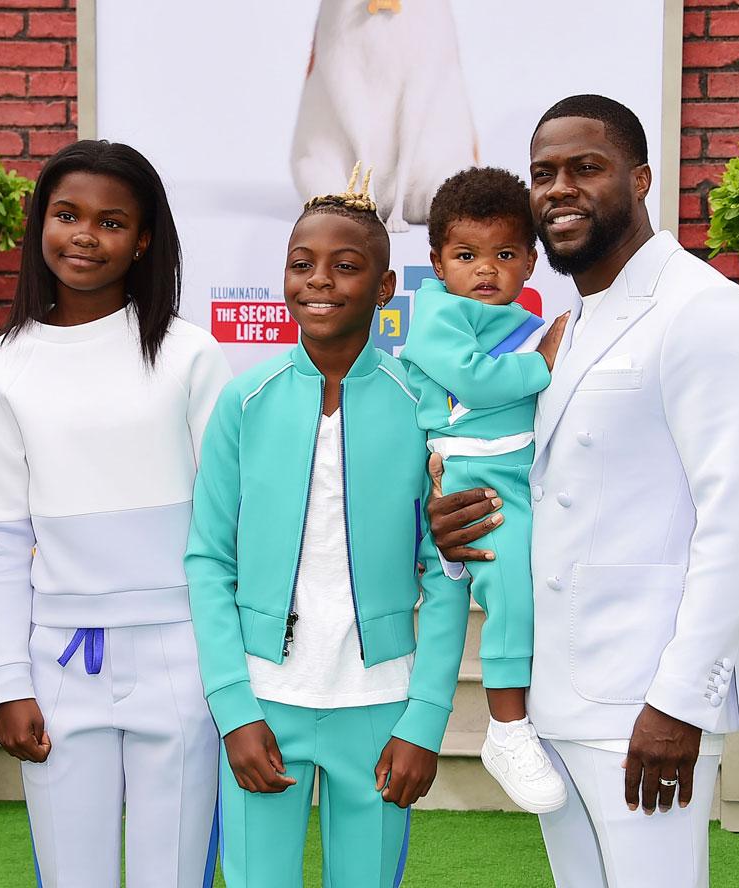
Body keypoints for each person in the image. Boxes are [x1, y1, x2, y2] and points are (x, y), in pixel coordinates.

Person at [426, 94, 739, 887]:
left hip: (643, 704)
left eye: (585, 168)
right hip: (555, 696)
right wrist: (453, 521)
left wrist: (680, 704)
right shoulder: (565, 326)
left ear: (641, 179)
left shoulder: (710, 314)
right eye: (543, 174)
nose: (559, 189)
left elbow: (735, 527)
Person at [186, 167, 469, 887]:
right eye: (301, 264)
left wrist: (425, 717)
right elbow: (208, 561)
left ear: (382, 288)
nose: (319, 281)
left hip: (380, 706)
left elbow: (445, 569)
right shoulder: (244, 402)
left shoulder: (423, 403)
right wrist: (231, 707)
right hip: (263, 701)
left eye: (346, 267)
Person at [0, 139, 232, 888]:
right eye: (67, 215)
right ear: (40, 224)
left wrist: (229, 669)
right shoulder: (2, 366)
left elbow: (227, 524)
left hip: (184, 657)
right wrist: (11, 682)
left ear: (144, 238)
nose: (85, 235)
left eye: (112, 222)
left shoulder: (189, 354)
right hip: (59, 664)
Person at [399, 166, 570, 813]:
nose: (486, 269)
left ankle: (532, 710)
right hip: (477, 478)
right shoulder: (439, 315)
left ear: (531, 259)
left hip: (525, 472)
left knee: (541, 590)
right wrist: (544, 363)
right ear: (437, 261)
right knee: (513, 590)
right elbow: (473, 382)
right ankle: (507, 728)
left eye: (504, 254)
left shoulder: (519, 317)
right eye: (466, 255)